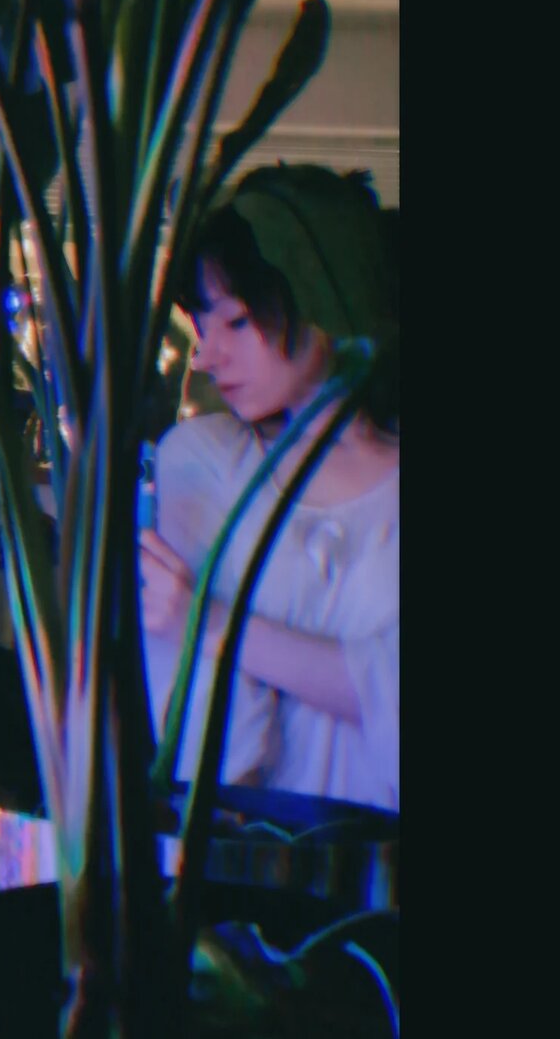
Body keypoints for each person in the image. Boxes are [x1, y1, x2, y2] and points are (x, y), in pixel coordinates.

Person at [141, 165, 399, 813]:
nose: (206, 356)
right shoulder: (206, 460)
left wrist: (209, 620)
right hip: (244, 853)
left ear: (324, 298)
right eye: (203, 326)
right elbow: (216, 745)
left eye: (236, 321)